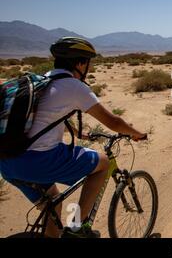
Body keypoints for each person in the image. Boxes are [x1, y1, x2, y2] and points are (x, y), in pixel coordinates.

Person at [0, 37, 147, 238]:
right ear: (79, 63)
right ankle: (78, 228)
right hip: (39, 161)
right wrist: (137, 134)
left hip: (7, 161)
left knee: (54, 203)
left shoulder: (41, 81)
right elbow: (113, 122)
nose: (88, 67)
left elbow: (46, 116)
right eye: (87, 62)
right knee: (103, 162)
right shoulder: (74, 86)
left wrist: (79, 133)